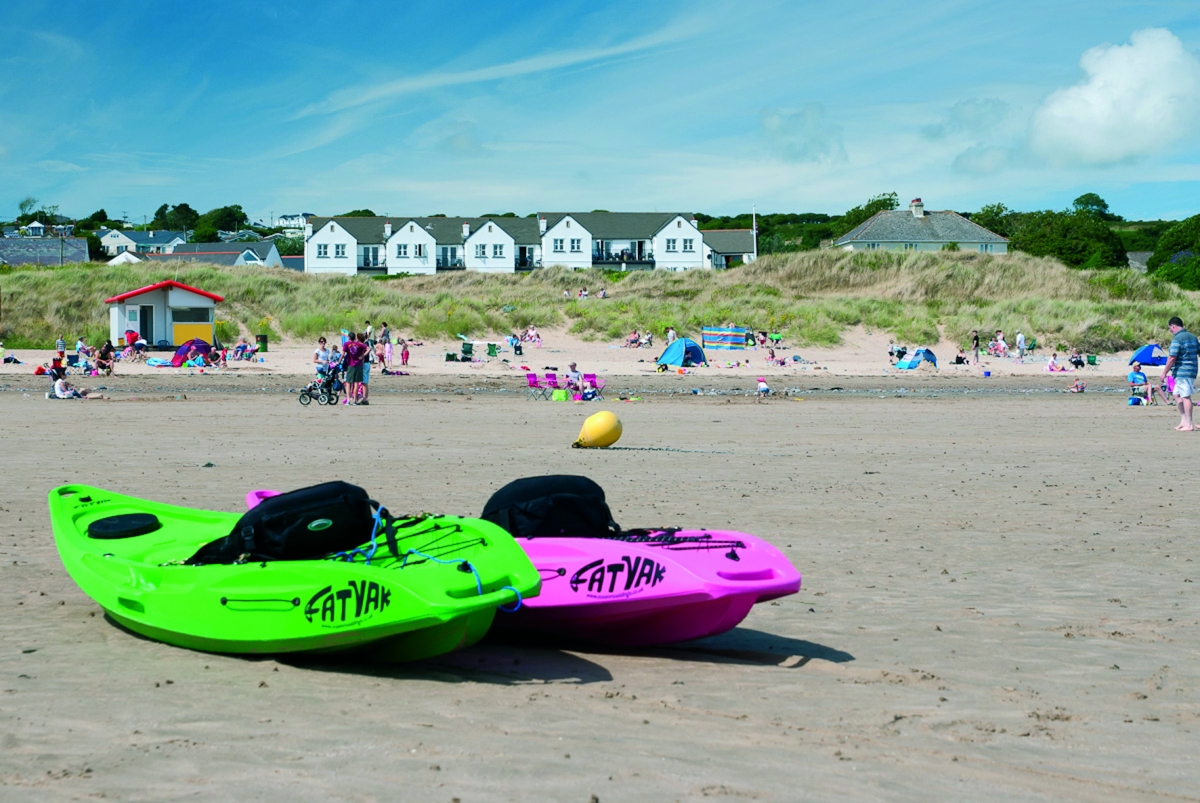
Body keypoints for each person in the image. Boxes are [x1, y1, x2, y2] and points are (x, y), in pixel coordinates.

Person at [1162, 315, 1199, 432]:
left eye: (1170, 329)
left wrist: (1164, 373)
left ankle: (1189, 424)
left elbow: (1172, 357)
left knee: (1185, 396)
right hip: (1190, 370)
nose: (1170, 331)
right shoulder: (1193, 337)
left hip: (1183, 371)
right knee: (1177, 394)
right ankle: (1183, 421)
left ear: (1173, 326)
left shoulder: (1177, 339)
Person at [342, 332, 367, 405]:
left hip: (351, 365)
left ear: (349, 337)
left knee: (348, 383)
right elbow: (368, 348)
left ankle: (349, 400)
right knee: (356, 383)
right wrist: (362, 356)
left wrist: (339, 361)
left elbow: (343, 354)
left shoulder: (346, 344)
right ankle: (355, 401)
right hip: (358, 365)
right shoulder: (358, 344)